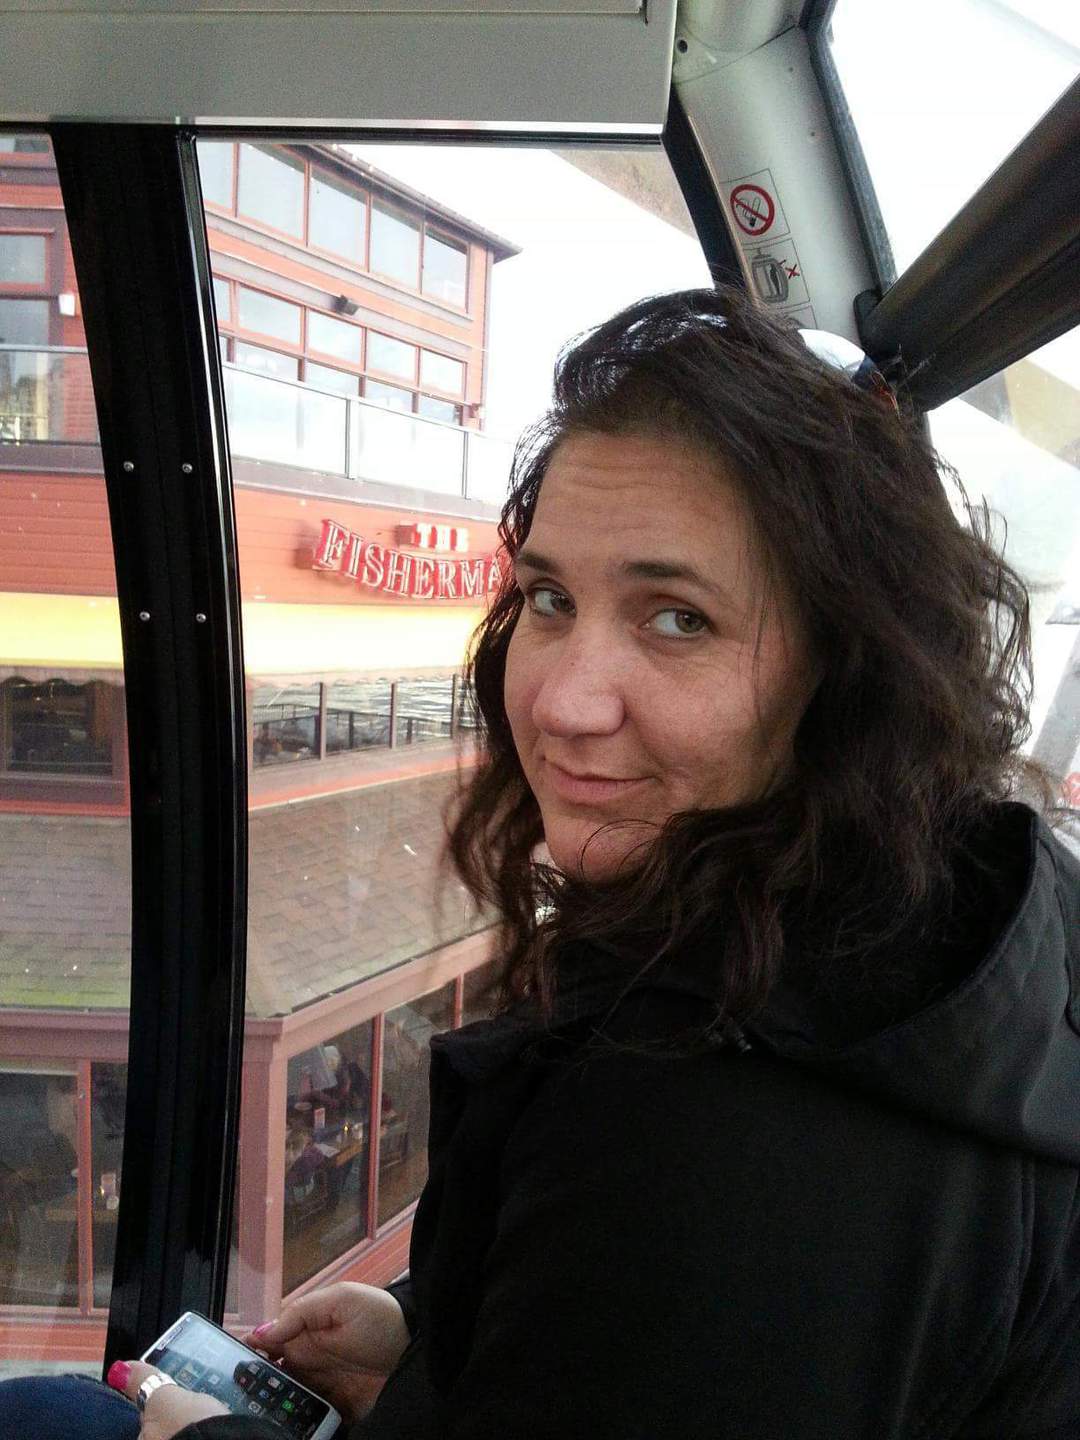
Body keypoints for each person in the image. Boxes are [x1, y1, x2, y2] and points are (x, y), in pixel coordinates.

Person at [6, 284, 1080, 1438]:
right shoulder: (969, 923)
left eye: (678, 619)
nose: (563, 702)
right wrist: (437, 1339)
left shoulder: (706, 1144)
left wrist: (200, 1434)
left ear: (849, 667)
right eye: (552, 598)